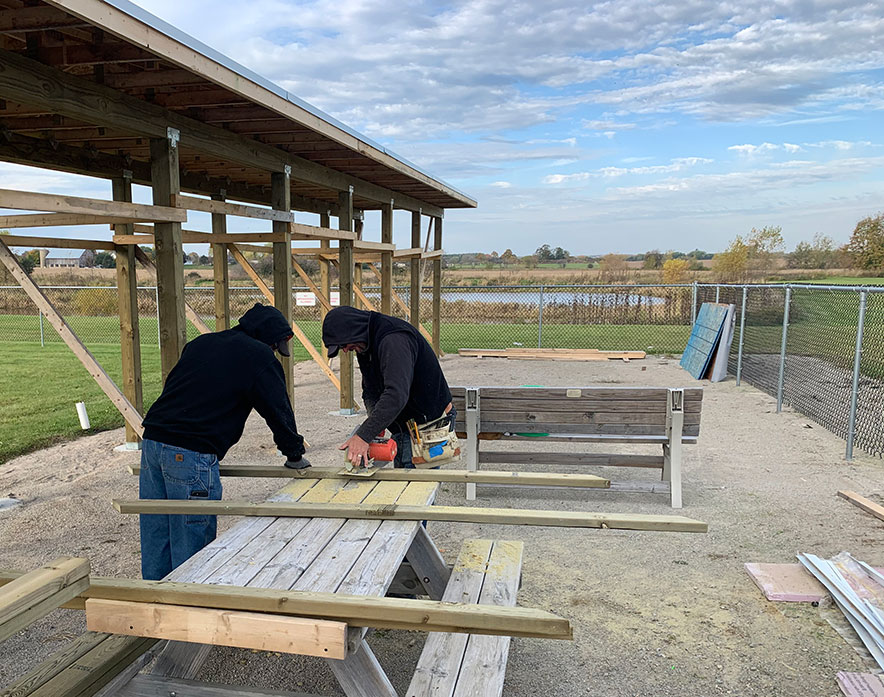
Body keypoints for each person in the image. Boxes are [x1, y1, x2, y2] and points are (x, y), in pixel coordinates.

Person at [138, 303, 309, 580]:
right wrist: (294, 454)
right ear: (270, 340)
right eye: (277, 347)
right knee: (191, 538)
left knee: (157, 529)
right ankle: (191, 609)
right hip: (191, 451)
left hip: (153, 443)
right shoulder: (259, 356)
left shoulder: (202, 343)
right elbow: (278, 412)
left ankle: (154, 604)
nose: (276, 353)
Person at [322, 306, 455, 469]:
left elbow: (396, 395)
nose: (345, 350)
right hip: (406, 422)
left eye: (344, 344)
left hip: (427, 424)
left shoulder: (393, 339)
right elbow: (370, 391)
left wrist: (363, 436)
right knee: (402, 476)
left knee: (414, 486)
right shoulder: (365, 344)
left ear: (353, 331)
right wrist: (375, 423)